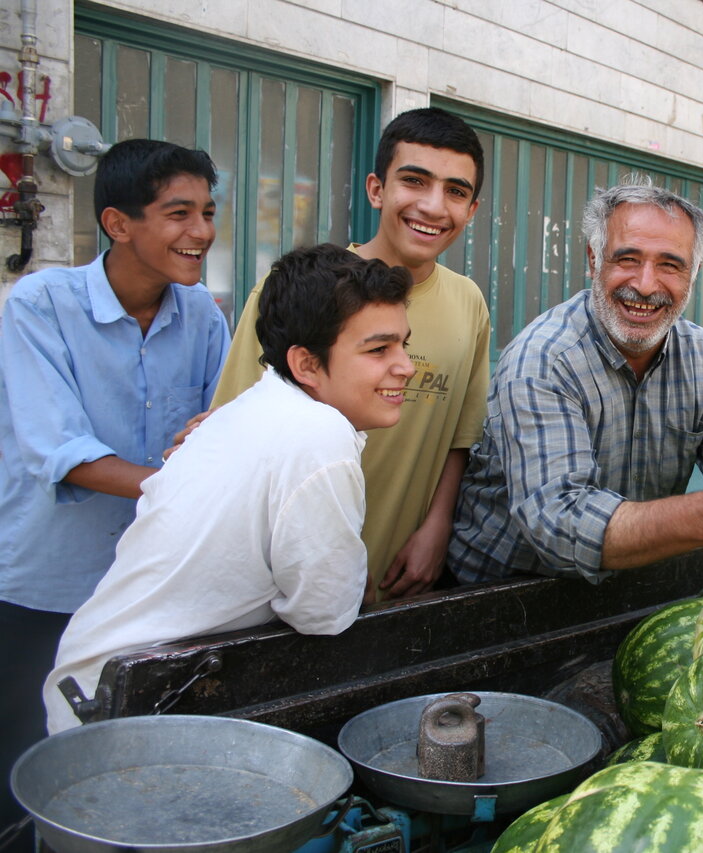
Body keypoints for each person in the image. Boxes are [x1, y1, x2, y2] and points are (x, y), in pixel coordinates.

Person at [43, 244, 414, 735]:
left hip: (103, 681)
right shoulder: (317, 438)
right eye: (378, 349)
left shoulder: (262, 407)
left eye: (404, 345)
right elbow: (323, 612)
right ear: (305, 364)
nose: (406, 366)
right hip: (130, 709)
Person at [448, 177, 703, 584]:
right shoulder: (544, 360)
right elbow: (559, 524)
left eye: (670, 265)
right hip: (502, 593)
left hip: (630, 580)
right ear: (593, 259)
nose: (646, 285)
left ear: (694, 273)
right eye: (627, 259)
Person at [0, 139, 229, 835]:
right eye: (179, 213)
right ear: (118, 223)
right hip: (42, 582)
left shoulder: (205, 318)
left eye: (209, 212)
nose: (202, 232)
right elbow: (62, 452)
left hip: (146, 586)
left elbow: (219, 434)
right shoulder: (39, 305)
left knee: (121, 764)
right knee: (26, 770)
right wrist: (180, 482)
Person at [209, 107, 489, 602]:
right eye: (414, 181)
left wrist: (437, 527)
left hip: (397, 578)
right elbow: (230, 433)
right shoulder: (300, 294)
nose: (432, 205)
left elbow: (459, 439)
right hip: (280, 587)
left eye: (456, 191)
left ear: (472, 209)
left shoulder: (469, 304)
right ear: (377, 189)